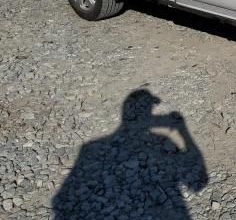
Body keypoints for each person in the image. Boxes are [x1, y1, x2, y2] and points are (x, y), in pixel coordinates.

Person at [52, 89, 207, 219]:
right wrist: (183, 130)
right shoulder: (162, 140)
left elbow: (61, 200)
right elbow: (197, 184)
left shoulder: (91, 148)